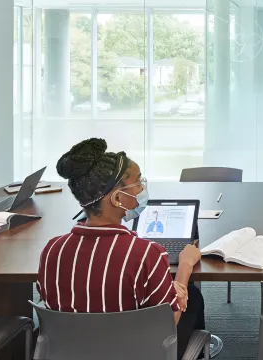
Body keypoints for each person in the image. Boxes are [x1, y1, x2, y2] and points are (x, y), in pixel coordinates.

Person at [38, 138, 205, 360]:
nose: (143, 188)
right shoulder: (147, 254)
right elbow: (170, 321)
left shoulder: (52, 251)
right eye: (138, 183)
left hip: (72, 352)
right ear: (117, 198)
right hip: (136, 353)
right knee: (192, 296)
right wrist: (184, 268)